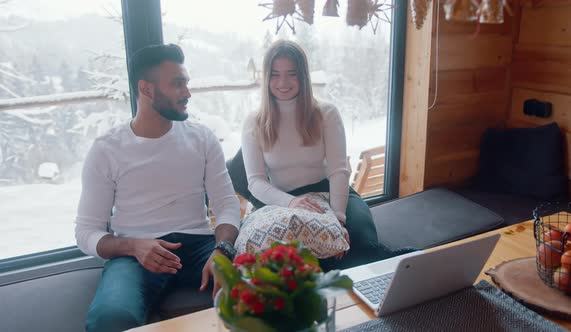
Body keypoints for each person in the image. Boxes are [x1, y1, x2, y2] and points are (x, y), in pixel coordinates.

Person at [74, 44, 240, 332]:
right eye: (177, 84)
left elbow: (226, 205)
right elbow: (86, 233)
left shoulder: (202, 139)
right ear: (146, 89)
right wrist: (134, 246)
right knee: (110, 319)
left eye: (186, 83)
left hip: (200, 246)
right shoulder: (106, 149)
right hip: (135, 254)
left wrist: (222, 250)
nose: (187, 92)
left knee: (257, 292)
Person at [241, 40, 384, 270]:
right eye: (275, 74)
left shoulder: (326, 113)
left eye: (291, 74)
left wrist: (337, 219)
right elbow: (255, 182)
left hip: (331, 192)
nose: (283, 82)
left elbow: (338, 170)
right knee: (296, 262)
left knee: (361, 243)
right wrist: (292, 202)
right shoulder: (254, 122)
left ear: (303, 77)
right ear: (266, 77)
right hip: (284, 201)